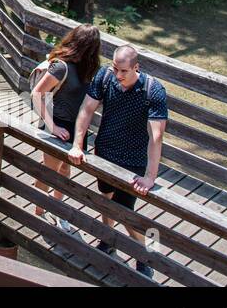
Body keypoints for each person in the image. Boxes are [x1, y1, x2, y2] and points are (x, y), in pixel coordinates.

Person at [69, 45, 168, 280]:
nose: (118, 75)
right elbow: (86, 109)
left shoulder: (153, 90)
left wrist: (150, 176)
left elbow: (157, 136)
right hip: (104, 153)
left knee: (125, 211)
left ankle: (145, 257)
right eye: (115, 69)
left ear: (137, 67)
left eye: (123, 71)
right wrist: (77, 144)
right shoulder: (104, 77)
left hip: (132, 161)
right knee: (106, 198)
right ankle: (108, 239)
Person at [28, 23, 101, 236]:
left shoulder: (88, 67)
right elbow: (36, 94)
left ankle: (56, 209)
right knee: (49, 171)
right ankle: (39, 210)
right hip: (57, 124)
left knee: (65, 171)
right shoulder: (62, 66)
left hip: (75, 127)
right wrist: (53, 126)